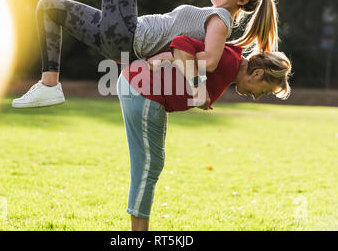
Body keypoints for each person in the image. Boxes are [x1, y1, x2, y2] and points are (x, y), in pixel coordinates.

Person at [12, 0, 280, 108]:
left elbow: (209, 61)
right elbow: (202, 60)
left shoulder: (221, 18)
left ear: (243, 0)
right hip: (121, 42)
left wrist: (172, 61)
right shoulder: (217, 19)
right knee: (49, 8)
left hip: (127, 36)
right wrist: (167, 60)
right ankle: (49, 85)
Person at [118, 35, 292, 230]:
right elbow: (181, 43)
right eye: (265, 91)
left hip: (144, 91)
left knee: (151, 164)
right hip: (143, 89)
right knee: (149, 165)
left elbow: (184, 57)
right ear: (258, 73)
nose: (258, 96)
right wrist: (196, 86)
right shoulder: (228, 61)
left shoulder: (230, 65)